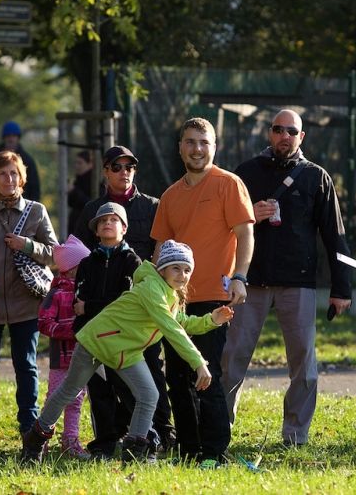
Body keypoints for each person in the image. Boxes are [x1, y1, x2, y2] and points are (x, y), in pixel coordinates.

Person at [21, 240, 235, 464]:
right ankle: (35, 439)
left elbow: (182, 323)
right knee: (69, 390)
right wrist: (199, 362)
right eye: (176, 268)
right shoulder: (152, 289)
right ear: (162, 269)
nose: (182, 275)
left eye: (187, 269)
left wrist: (212, 320)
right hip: (98, 341)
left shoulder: (170, 295)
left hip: (126, 350)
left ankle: (135, 453)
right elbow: (171, 329)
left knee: (148, 395)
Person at [221, 109, 353, 447]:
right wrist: (251, 214)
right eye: (278, 130)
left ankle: (295, 435)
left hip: (299, 283)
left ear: (301, 137)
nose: (284, 136)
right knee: (231, 358)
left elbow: (334, 235)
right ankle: (219, 427)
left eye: (291, 131)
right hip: (249, 281)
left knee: (303, 365)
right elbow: (221, 224)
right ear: (269, 133)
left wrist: (342, 288)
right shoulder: (246, 173)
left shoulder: (316, 177)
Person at [150, 117, 254, 468]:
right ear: (180, 147)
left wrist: (239, 276)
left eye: (203, 142)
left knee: (205, 373)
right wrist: (153, 293)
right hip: (174, 301)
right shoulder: (169, 196)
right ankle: (188, 450)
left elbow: (245, 234)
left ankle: (214, 452)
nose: (197, 148)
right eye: (190, 142)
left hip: (213, 298)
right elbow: (160, 250)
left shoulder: (229, 184)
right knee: (177, 377)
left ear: (214, 146)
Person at [73, 145, 173, 450]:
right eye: (117, 167)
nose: (124, 172)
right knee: (101, 378)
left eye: (130, 167)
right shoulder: (92, 210)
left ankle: (159, 433)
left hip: (143, 309)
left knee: (151, 371)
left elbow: (164, 254)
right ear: (105, 171)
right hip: (103, 312)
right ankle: (108, 438)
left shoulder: (152, 206)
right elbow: (78, 254)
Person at [0, 151, 58, 437]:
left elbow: (55, 255)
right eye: (2, 173)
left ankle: (28, 425)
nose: (9, 179)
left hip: (27, 301)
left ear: (22, 178)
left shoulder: (37, 211)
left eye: (13, 173)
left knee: (26, 365)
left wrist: (27, 246)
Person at [73, 202, 142, 460]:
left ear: (124, 228)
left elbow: (127, 302)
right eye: (102, 222)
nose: (107, 224)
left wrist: (90, 306)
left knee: (127, 390)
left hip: (121, 338)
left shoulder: (133, 261)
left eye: (113, 220)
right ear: (96, 231)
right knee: (99, 392)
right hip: (93, 338)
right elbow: (76, 301)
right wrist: (87, 309)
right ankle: (104, 443)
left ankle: (138, 437)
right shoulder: (88, 262)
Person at [37, 234, 91, 458]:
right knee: (55, 398)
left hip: (83, 358)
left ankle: (70, 440)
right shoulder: (57, 293)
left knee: (77, 399)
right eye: (84, 267)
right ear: (71, 269)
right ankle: (41, 437)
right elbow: (44, 323)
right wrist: (70, 332)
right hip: (61, 358)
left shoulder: (87, 293)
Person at [0, 121, 41, 202]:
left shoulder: (27, 160)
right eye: (8, 136)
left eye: (14, 136)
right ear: (4, 138)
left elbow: (35, 187)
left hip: (21, 207)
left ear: (18, 138)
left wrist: (31, 208)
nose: (11, 139)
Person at [67, 151, 94, 236]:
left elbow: (90, 203)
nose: (77, 166)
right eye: (76, 163)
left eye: (80, 163)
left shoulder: (94, 182)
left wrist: (74, 191)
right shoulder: (78, 180)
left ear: (90, 164)